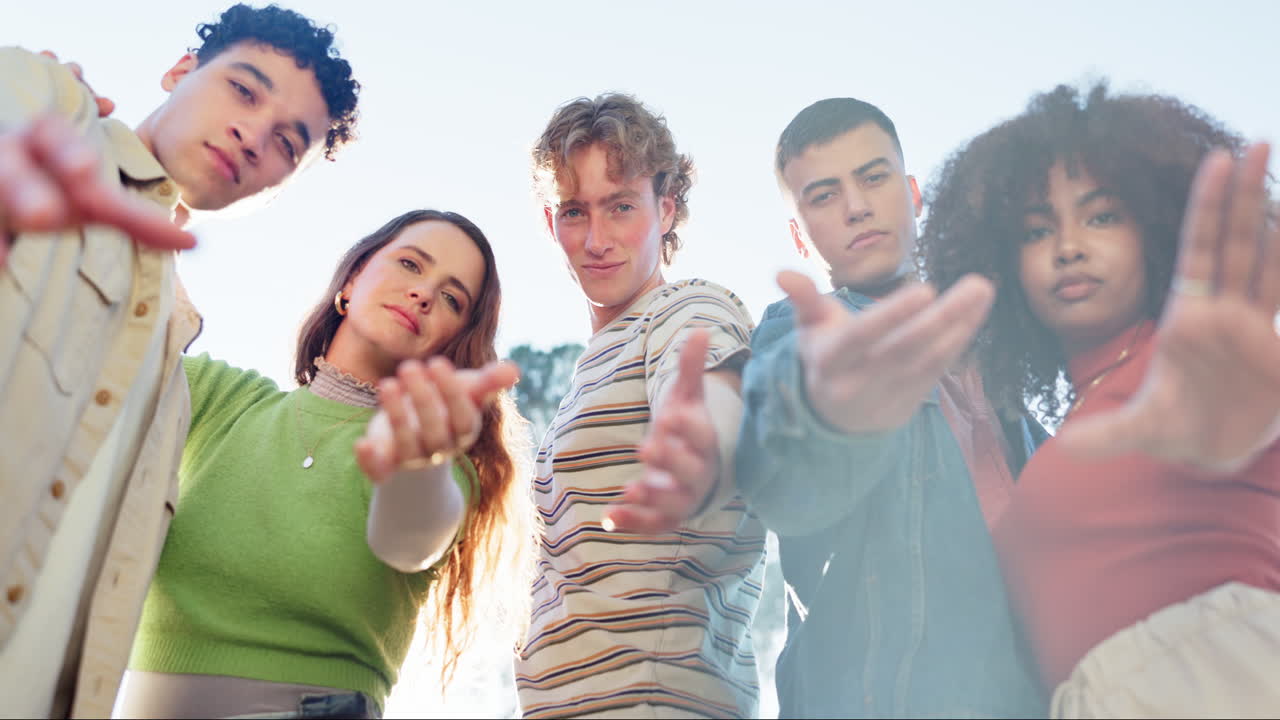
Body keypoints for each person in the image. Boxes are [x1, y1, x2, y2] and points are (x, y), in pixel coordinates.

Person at [0, 4, 359, 716]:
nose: (254, 135)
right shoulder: (53, 111)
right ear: (180, 71)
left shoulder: (173, 350)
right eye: (245, 90)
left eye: (289, 142)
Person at [922, 83, 1280, 718]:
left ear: (1158, 228)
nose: (1068, 247)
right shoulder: (1059, 433)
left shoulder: (1192, 372)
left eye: (1103, 215)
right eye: (1037, 230)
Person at [116, 209, 536, 719]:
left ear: (454, 344)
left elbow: (409, 543)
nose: (424, 293)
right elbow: (98, 345)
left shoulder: (441, 464)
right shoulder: (221, 399)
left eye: (452, 298)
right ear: (353, 278)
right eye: (410, 264)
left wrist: (421, 460)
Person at [733, 98, 1046, 717]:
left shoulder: (1004, 373)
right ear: (801, 235)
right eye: (823, 195)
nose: (856, 206)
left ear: (911, 193)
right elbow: (789, 458)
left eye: (873, 178)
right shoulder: (804, 331)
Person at [514, 93, 766, 719]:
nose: (596, 240)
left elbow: (707, 401)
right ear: (552, 224)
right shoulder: (588, 373)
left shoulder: (686, 308)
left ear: (666, 209)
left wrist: (697, 445)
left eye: (621, 206)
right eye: (575, 212)